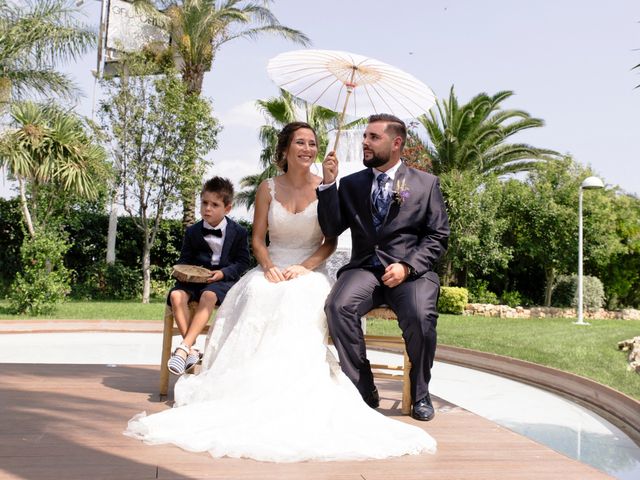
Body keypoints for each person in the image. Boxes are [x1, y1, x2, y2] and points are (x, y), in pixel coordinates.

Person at [125, 122, 436, 462]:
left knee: (312, 297)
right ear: (285, 149)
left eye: (312, 143)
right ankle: (326, 383)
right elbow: (262, 238)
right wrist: (269, 264)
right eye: (300, 143)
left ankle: (413, 393)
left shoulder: (399, 184)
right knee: (270, 294)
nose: (308, 148)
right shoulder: (283, 187)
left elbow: (330, 237)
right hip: (291, 265)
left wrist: (308, 262)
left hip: (331, 268)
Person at [317, 113, 450, 422]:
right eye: (365, 136)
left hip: (411, 275)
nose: (364, 141)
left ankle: (420, 393)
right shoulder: (350, 185)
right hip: (364, 270)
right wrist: (327, 185)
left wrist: (407, 266)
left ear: (396, 143)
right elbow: (331, 228)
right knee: (338, 306)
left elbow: (437, 236)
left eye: (373, 137)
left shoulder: (426, 184)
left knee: (420, 316)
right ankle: (363, 387)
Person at [166, 176, 251, 375]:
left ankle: (182, 348)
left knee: (209, 296)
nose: (207, 209)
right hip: (193, 281)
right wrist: (184, 273)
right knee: (176, 296)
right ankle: (192, 349)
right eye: (204, 203)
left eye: (214, 204)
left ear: (227, 208)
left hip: (222, 282)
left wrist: (223, 273)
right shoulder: (193, 231)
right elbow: (185, 259)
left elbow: (243, 262)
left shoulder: (239, 232)